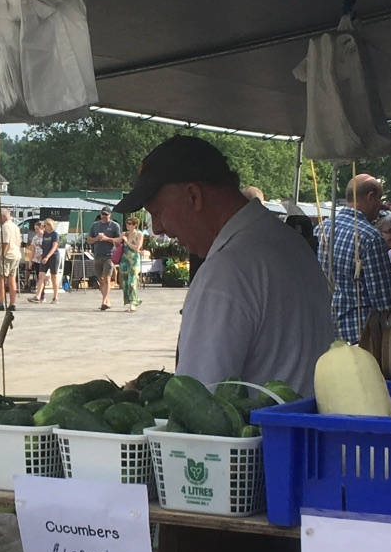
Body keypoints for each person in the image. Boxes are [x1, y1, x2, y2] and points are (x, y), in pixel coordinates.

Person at [117, 136, 332, 390]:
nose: (157, 228)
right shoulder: (287, 240)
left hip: (265, 417)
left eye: (157, 213)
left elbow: (198, 396)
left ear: (194, 196)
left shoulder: (225, 270)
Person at [318, 174, 391, 343]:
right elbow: (383, 303)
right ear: (371, 197)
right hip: (359, 335)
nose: (380, 205)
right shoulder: (370, 237)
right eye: (379, 199)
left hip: (324, 330)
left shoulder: (321, 228)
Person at [87, 209, 122, 309]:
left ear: (110, 215)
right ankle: (107, 299)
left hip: (109, 255)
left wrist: (106, 239)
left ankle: (104, 301)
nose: (104, 216)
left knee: (107, 278)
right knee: (100, 279)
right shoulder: (95, 225)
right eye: (103, 214)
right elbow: (88, 239)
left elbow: (119, 241)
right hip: (97, 255)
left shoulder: (114, 226)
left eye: (106, 214)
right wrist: (96, 239)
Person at [0, 209, 23, 310]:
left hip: (7, 255)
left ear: (4, 216)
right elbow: (19, 242)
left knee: (1, 278)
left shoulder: (5, 226)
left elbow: (6, 242)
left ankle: (0, 303)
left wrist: (2, 255)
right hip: (16, 254)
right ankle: (12, 303)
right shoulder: (15, 226)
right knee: (12, 279)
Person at [119, 212, 146, 309]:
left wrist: (126, 242)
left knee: (132, 281)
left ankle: (133, 302)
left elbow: (136, 248)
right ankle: (130, 300)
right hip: (124, 260)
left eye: (130, 223)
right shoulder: (124, 234)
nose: (127, 225)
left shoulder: (139, 234)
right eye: (127, 223)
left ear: (135, 225)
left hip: (134, 260)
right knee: (125, 283)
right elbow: (117, 242)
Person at [31, 219, 62, 303]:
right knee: (41, 276)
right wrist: (40, 253)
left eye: (45, 225)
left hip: (53, 257)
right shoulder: (44, 234)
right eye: (43, 225)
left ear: (50, 225)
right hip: (44, 256)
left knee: (54, 277)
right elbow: (42, 244)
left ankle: (55, 297)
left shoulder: (55, 234)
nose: (44, 227)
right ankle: (38, 296)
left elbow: (54, 247)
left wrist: (47, 256)